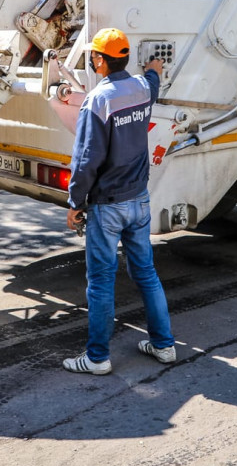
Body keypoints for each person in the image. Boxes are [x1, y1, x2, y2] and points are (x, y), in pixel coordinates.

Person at [62, 28, 175, 375]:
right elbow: (154, 82)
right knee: (146, 273)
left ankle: (97, 358)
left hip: (107, 206)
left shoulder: (98, 100)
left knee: (100, 281)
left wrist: (75, 202)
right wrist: (156, 66)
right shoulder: (141, 88)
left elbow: (86, 159)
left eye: (93, 55)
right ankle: (164, 345)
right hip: (138, 199)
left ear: (99, 60)